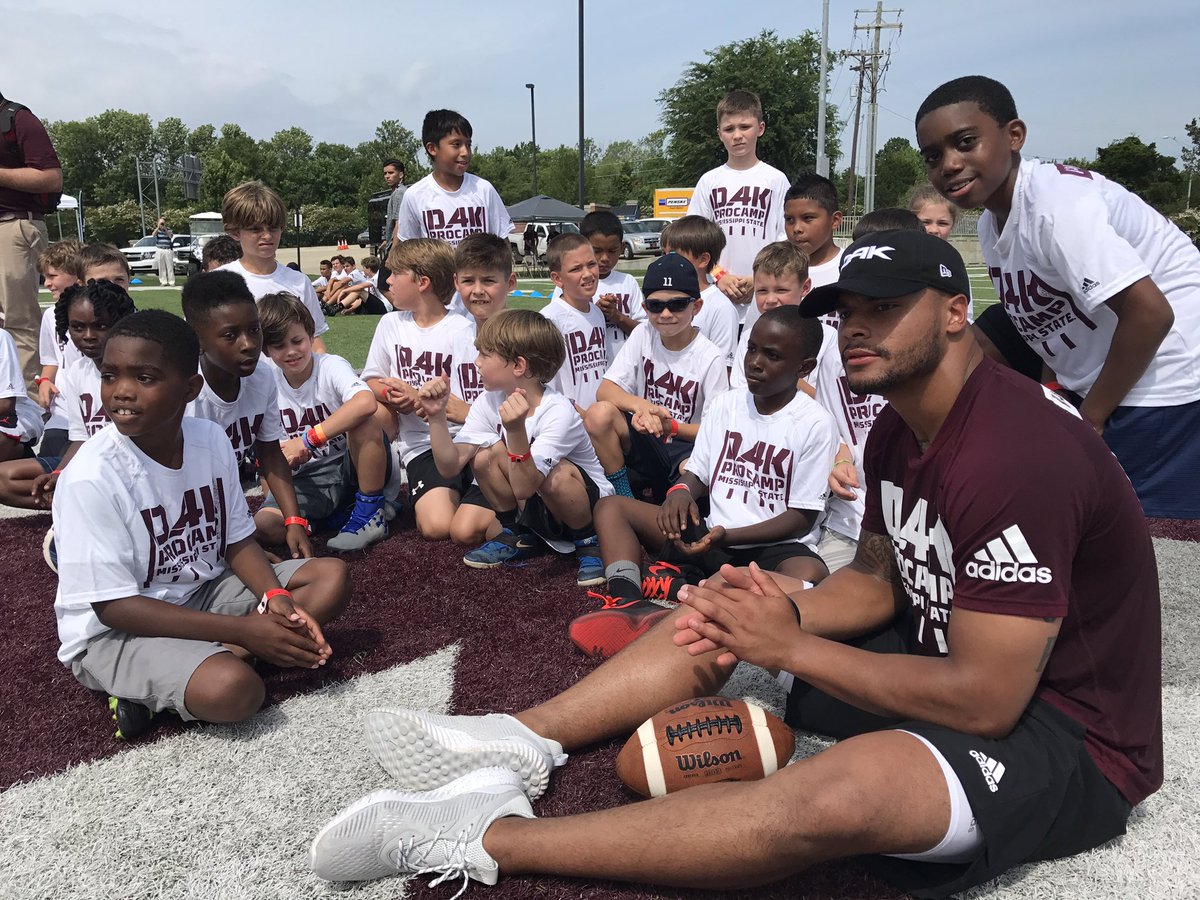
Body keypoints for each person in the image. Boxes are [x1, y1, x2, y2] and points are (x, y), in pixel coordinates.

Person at [308, 230, 1162, 900]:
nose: (855, 328)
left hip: (1065, 729)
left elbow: (988, 697)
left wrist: (788, 647)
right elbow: (874, 576)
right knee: (734, 604)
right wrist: (769, 610)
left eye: (885, 308)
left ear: (952, 309)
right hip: (935, 651)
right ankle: (526, 738)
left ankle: (484, 836)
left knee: (840, 800)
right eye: (846, 310)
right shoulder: (903, 423)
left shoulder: (1019, 449)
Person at [53, 309, 349, 741]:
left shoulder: (209, 440)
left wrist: (276, 598)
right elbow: (113, 607)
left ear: (190, 388)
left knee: (331, 577)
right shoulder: (90, 477)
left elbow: (237, 539)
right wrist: (245, 630)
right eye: (110, 376)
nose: (122, 392)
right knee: (236, 691)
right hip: (115, 631)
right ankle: (181, 673)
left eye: (145, 378)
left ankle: (219, 655)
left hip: (201, 590)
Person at [916, 74, 1200, 519]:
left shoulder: (1055, 207)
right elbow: (1041, 319)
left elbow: (1150, 313)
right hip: (1110, 377)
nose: (949, 164)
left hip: (1165, 380)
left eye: (966, 142)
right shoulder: (994, 222)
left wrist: (1091, 417)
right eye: (933, 156)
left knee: (1146, 543)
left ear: (1014, 135)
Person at [573, 305, 834, 658]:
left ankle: (679, 584)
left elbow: (801, 518)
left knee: (812, 574)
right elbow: (699, 471)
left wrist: (729, 537)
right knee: (610, 507)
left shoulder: (815, 422)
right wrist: (681, 493)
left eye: (772, 355)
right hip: (710, 531)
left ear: (804, 367)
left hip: (768, 545)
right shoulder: (727, 405)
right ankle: (629, 600)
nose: (755, 362)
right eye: (752, 349)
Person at [417, 309, 612, 586]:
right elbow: (450, 465)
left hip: (589, 509)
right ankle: (517, 532)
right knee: (484, 456)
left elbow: (525, 486)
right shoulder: (488, 401)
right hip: (540, 506)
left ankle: (590, 542)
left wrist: (515, 430)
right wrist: (436, 416)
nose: (476, 362)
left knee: (557, 474)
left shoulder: (557, 410)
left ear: (518, 366)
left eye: (485, 354)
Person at [181, 271, 314, 561]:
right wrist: (236, 549)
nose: (249, 344)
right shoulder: (186, 394)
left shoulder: (262, 375)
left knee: (280, 531)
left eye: (254, 330)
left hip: (220, 503)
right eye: (231, 335)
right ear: (198, 341)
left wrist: (294, 520)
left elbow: (269, 452)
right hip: (178, 514)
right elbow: (180, 487)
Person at [255, 292, 395, 552]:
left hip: (349, 466)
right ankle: (333, 519)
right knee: (265, 525)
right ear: (266, 350)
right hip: (307, 479)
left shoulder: (329, 366)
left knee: (363, 420)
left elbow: (366, 402)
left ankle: (370, 510)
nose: (291, 351)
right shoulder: (265, 383)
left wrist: (309, 439)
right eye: (279, 346)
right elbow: (267, 452)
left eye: (297, 341)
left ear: (311, 336)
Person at [583, 253, 728, 501]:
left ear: (697, 306)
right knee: (599, 414)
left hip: (684, 445)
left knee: (699, 470)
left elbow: (715, 431)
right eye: (656, 305)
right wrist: (646, 409)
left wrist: (669, 425)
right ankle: (624, 498)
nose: (666, 313)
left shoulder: (710, 357)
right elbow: (605, 389)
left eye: (678, 304)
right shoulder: (643, 333)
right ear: (644, 308)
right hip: (646, 436)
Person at [361, 238, 474, 541]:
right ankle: (380, 498)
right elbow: (372, 380)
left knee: (470, 523)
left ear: (423, 282)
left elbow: (473, 407)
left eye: (396, 273)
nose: (388, 280)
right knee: (437, 526)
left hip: (466, 441)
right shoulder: (390, 324)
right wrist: (393, 397)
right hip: (422, 445)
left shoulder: (463, 330)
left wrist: (417, 396)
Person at [0, 280, 137, 514]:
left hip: (132, 468)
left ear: (121, 322)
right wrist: (58, 475)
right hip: (90, 464)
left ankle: (90, 508)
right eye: (78, 327)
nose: (89, 336)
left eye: (101, 325)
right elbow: (81, 439)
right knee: (4, 479)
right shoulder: (77, 372)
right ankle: (76, 507)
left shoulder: (140, 371)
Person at [686, 90, 791, 328]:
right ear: (719, 134)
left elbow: (784, 239)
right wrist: (719, 276)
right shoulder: (709, 181)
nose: (737, 136)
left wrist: (760, 278)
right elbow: (694, 240)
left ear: (760, 128)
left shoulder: (775, 180)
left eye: (745, 127)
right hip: (717, 297)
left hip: (765, 298)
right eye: (729, 129)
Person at [443, 233, 516, 547]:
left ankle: (544, 521)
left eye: (489, 280)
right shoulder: (456, 336)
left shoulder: (525, 334)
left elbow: (545, 409)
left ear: (510, 282)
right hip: (477, 454)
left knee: (487, 530)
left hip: (523, 455)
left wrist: (468, 414)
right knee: (462, 532)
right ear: (456, 281)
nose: (477, 291)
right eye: (468, 281)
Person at [217, 180, 329, 354]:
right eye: (256, 229)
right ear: (234, 232)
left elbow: (313, 340)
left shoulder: (299, 281)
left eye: (273, 227)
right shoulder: (218, 283)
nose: (267, 236)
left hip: (291, 380)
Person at [0, 91, 63, 391]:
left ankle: (25, 402)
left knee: (18, 319)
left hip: (14, 223)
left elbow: (51, 179)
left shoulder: (16, 118)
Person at [394, 110, 512, 247]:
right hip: (436, 269)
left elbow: (503, 242)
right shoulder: (414, 195)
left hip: (481, 268)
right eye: (456, 144)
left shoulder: (484, 189)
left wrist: (507, 268)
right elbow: (405, 250)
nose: (465, 152)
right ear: (432, 148)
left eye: (468, 144)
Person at [549, 211, 646, 365]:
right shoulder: (569, 285)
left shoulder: (628, 282)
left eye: (612, 251)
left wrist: (617, 316)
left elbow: (644, 333)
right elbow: (559, 326)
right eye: (597, 251)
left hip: (626, 370)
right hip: (586, 369)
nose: (605, 258)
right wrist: (592, 312)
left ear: (621, 248)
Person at [729, 242, 812, 390]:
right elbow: (739, 392)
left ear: (805, 287)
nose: (770, 300)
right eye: (762, 291)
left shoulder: (827, 338)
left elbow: (823, 399)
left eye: (781, 290)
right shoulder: (748, 337)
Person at [660, 215, 739, 369]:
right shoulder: (661, 297)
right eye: (664, 254)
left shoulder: (720, 307)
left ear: (703, 259)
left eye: (674, 255)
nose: (666, 261)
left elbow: (724, 369)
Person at [539, 233, 607, 410]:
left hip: (599, 417)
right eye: (576, 269)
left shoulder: (597, 313)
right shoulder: (549, 319)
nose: (587, 274)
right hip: (568, 419)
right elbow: (544, 382)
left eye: (591, 264)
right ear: (557, 278)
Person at [34, 239, 83, 458]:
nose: (46, 283)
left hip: (91, 411)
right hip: (61, 412)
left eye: (53, 276)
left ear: (77, 275)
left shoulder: (105, 313)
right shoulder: (50, 316)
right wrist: (45, 382)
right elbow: (51, 359)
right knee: (48, 463)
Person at [152, 217, 175, 287]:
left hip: (167, 249)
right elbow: (153, 235)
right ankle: (163, 281)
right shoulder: (157, 230)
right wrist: (157, 227)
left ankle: (171, 282)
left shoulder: (169, 229)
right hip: (160, 249)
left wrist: (165, 229)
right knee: (161, 267)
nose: (162, 224)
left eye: (163, 223)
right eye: (161, 223)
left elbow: (170, 236)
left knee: (170, 266)